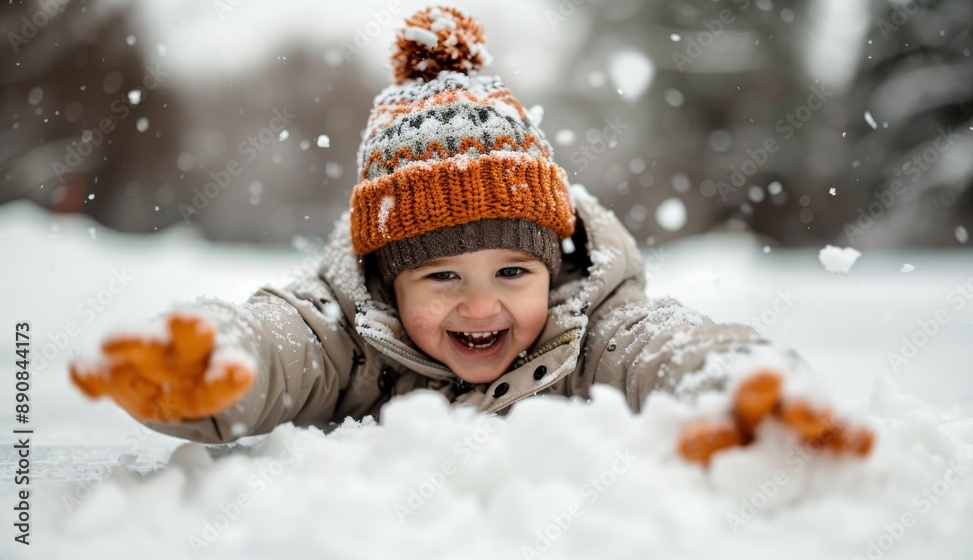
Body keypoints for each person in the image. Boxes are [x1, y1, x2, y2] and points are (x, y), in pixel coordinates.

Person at [70, 6, 871, 464]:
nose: (482, 305)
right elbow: (284, 343)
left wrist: (736, 386)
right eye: (443, 277)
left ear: (553, 265)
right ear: (388, 281)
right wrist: (217, 367)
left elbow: (665, 347)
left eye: (513, 272)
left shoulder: (593, 321)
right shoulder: (349, 332)